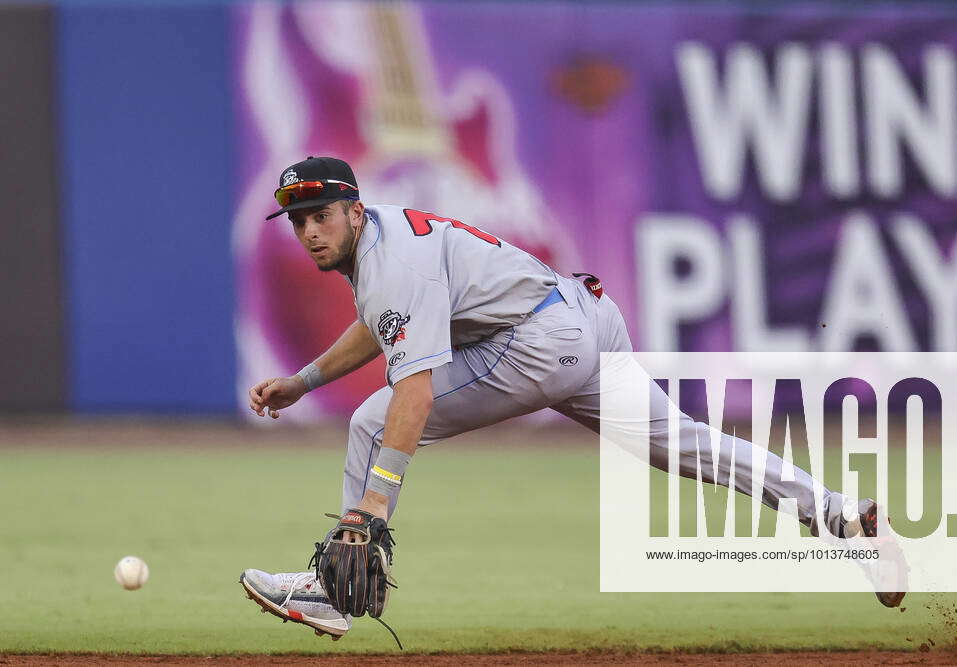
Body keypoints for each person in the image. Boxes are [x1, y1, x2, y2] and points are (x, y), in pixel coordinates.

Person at [239, 157, 903, 642]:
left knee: (371, 419)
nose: (310, 232)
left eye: (320, 215)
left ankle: (332, 594)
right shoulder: (381, 241)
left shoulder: (391, 265)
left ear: (354, 209)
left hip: (537, 340)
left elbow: (413, 384)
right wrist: (305, 380)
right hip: (581, 312)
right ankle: (841, 514)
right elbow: (382, 326)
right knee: (684, 444)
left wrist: (377, 498)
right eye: (298, 221)